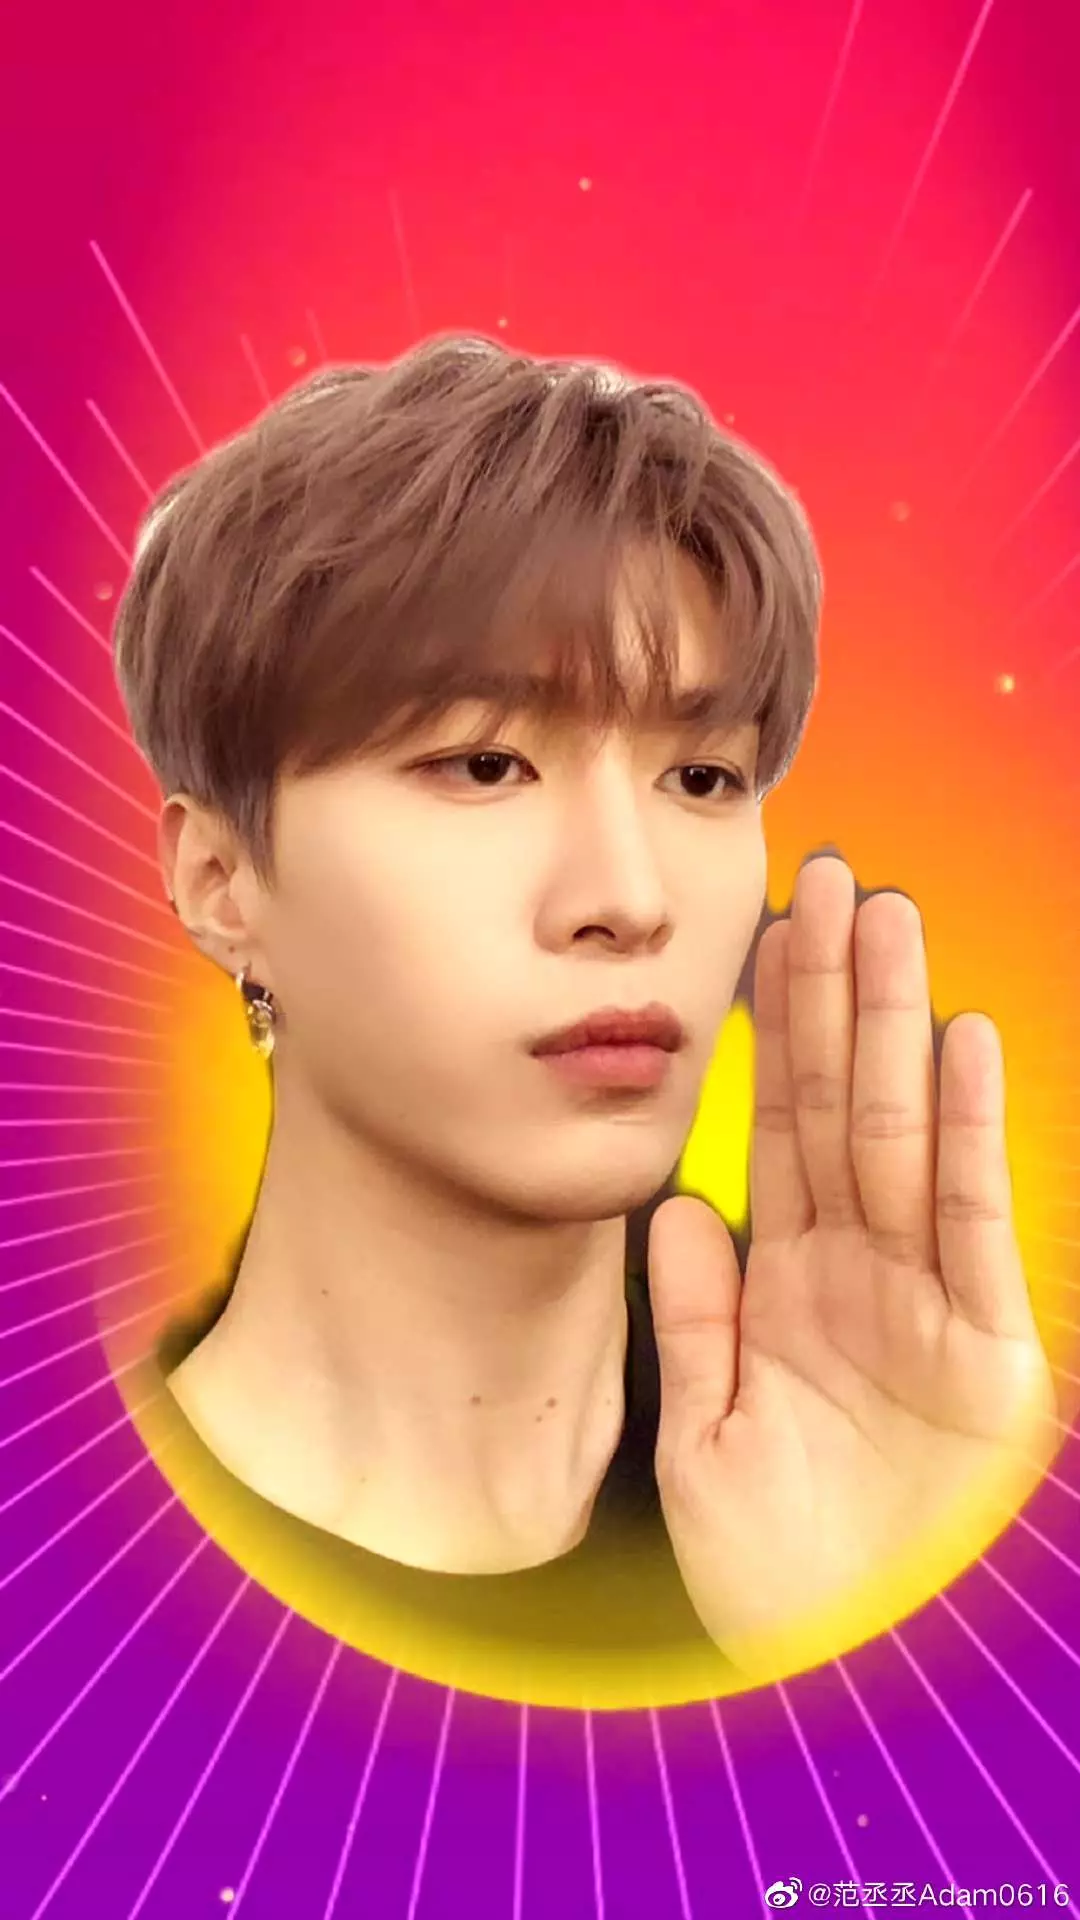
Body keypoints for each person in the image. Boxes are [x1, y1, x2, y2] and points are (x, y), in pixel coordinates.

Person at [114, 335, 1055, 1693]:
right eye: (485, 763)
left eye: (705, 778)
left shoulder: (888, 1455)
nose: (630, 898)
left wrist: (918, 1624)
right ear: (220, 882)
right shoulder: (65, 1573)